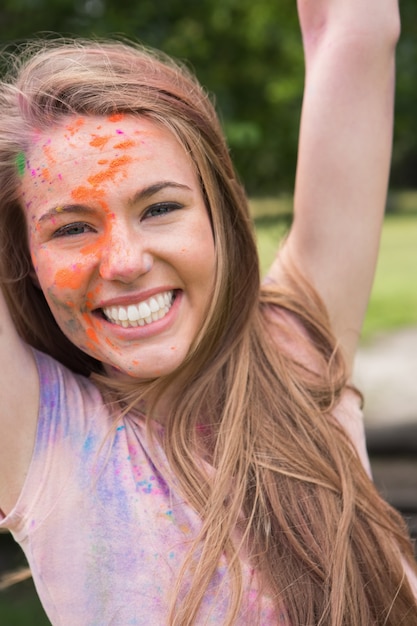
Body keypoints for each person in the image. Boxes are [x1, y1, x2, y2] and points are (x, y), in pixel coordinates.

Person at [0, 0, 416, 623]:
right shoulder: (43, 440)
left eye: (161, 208)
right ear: (26, 261)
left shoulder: (298, 343)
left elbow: (354, 26)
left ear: (219, 213)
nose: (124, 262)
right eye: (72, 228)